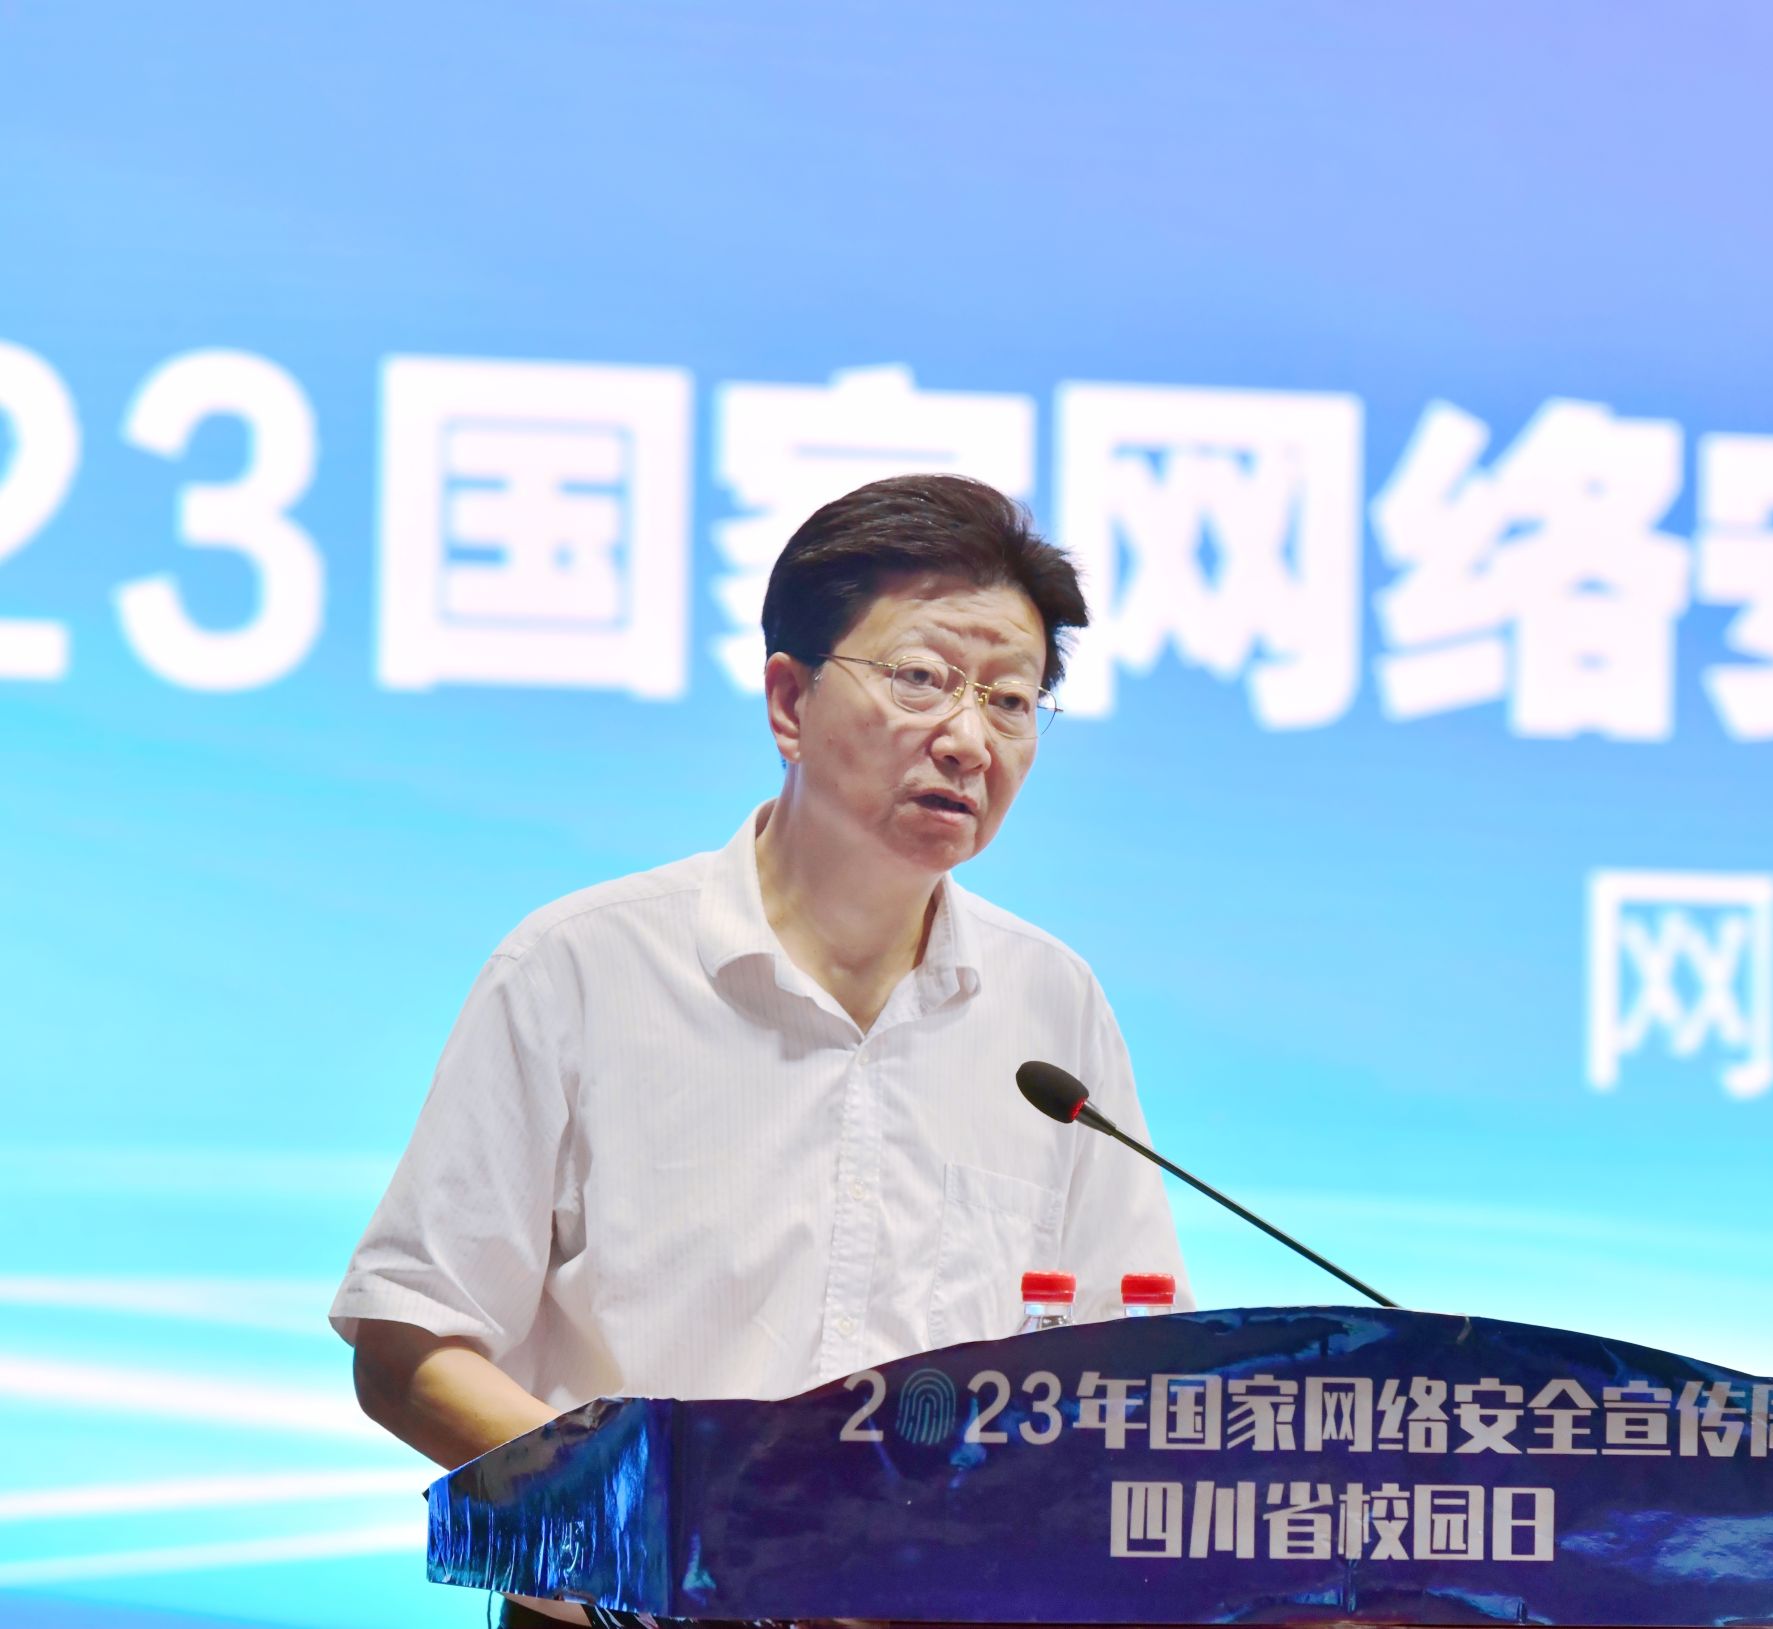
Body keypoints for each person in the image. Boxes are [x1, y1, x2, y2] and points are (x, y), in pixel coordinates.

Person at [331, 473, 1188, 1625]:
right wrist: (671, 1528)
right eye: (922, 679)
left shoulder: (1053, 1011)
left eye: (1009, 700)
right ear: (788, 700)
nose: (966, 739)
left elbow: (1131, 1385)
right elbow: (408, 1345)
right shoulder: (582, 968)